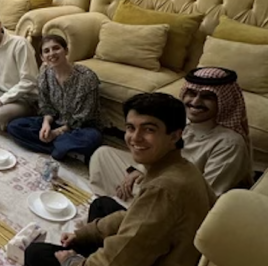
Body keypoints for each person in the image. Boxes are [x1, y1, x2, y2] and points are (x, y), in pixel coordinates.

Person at [24, 93, 214, 266]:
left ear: (175, 135)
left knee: (36, 253)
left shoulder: (163, 189)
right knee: (102, 205)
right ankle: (85, 250)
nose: (135, 138)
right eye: (131, 128)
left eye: (149, 130)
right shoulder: (181, 168)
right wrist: (85, 234)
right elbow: (134, 216)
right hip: (166, 262)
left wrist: (72, 263)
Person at [90, 66, 253, 200]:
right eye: (192, 94)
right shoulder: (184, 119)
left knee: (154, 196)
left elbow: (204, 196)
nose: (195, 102)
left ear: (223, 101)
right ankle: (121, 203)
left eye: (207, 97)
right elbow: (157, 152)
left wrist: (151, 183)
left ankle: (128, 209)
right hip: (159, 172)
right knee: (103, 154)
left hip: (181, 196)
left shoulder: (229, 143)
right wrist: (137, 170)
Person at [7, 33, 102, 160]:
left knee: (91, 139)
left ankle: (60, 148)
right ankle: (62, 150)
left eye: (56, 48)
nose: (52, 53)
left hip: (80, 128)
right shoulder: (44, 75)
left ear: (66, 50)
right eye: (46, 51)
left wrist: (56, 133)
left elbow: (83, 117)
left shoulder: (86, 77)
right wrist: (46, 124)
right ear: (42, 57)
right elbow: (46, 106)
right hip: (56, 122)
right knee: (14, 127)